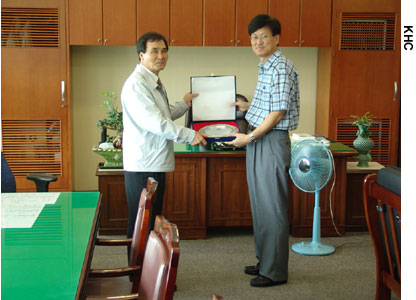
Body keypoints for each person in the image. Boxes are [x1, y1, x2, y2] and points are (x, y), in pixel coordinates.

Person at [226, 14, 300, 287]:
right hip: (260, 139)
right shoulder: (266, 66)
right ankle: (265, 261)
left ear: (276, 39)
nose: (257, 41)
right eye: (254, 37)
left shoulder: (280, 67)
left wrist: (249, 137)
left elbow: (278, 113)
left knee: (273, 208)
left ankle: (275, 272)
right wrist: (247, 109)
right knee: (260, 206)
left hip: (269, 140)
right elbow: (268, 105)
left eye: (263, 36)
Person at [121, 32, 207, 256]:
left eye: (164, 50)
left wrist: (185, 103)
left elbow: (164, 114)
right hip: (144, 165)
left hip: (155, 162)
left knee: (151, 223)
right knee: (142, 224)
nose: (161, 56)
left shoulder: (153, 80)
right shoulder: (136, 85)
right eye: (154, 51)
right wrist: (190, 135)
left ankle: (148, 276)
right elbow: (154, 122)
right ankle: (137, 277)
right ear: (142, 55)